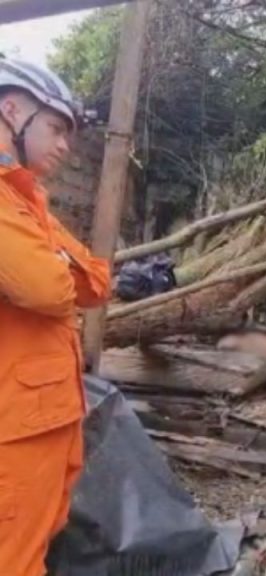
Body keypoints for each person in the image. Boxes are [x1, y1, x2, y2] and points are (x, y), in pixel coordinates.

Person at [0, 58, 112, 575]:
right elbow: (47, 289)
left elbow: (95, 284)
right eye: (56, 127)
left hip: (46, 414)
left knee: (37, 543)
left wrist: (51, 259)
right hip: (12, 423)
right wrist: (54, 262)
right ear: (10, 108)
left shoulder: (27, 200)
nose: (66, 145)